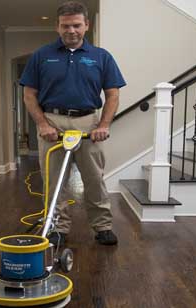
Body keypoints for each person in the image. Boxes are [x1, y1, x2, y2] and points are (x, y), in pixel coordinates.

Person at [20, 1, 126, 246]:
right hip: (52, 122)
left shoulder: (101, 57)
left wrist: (104, 125)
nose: (71, 30)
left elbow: (113, 95)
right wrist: (42, 125)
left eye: (77, 25)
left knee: (94, 179)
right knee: (54, 179)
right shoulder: (41, 56)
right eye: (65, 26)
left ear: (86, 25)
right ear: (57, 27)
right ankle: (57, 227)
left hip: (89, 122)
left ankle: (103, 226)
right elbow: (29, 94)